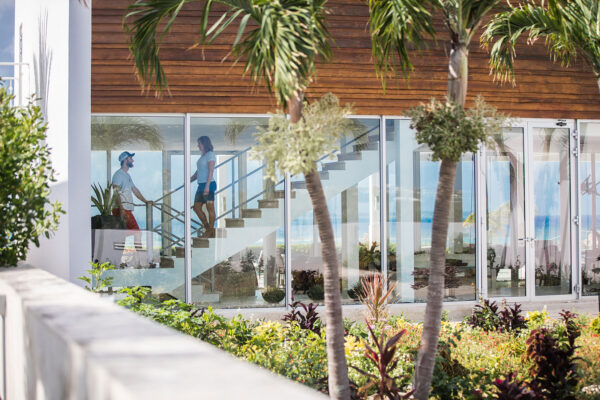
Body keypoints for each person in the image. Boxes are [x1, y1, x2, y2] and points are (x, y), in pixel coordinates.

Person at [112, 151, 152, 232]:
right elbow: (116, 192)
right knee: (136, 232)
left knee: (122, 235)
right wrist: (122, 209)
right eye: (131, 158)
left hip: (125, 209)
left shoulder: (127, 175)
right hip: (122, 209)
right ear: (125, 160)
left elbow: (135, 190)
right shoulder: (118, 175)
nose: (133, 160)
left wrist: (145, 201)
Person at [191, 136, 217, 238]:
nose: (198, 145)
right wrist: (189, 180)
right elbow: (199, 172)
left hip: (209, 185)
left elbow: (211, 171)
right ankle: (208, 228)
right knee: (196, 207)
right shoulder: (203, 156)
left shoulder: (210, 155)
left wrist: (207, 186)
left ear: (204, 143)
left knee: (210, 207)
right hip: (200, 185)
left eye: (199, 144)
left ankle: (210, 230)